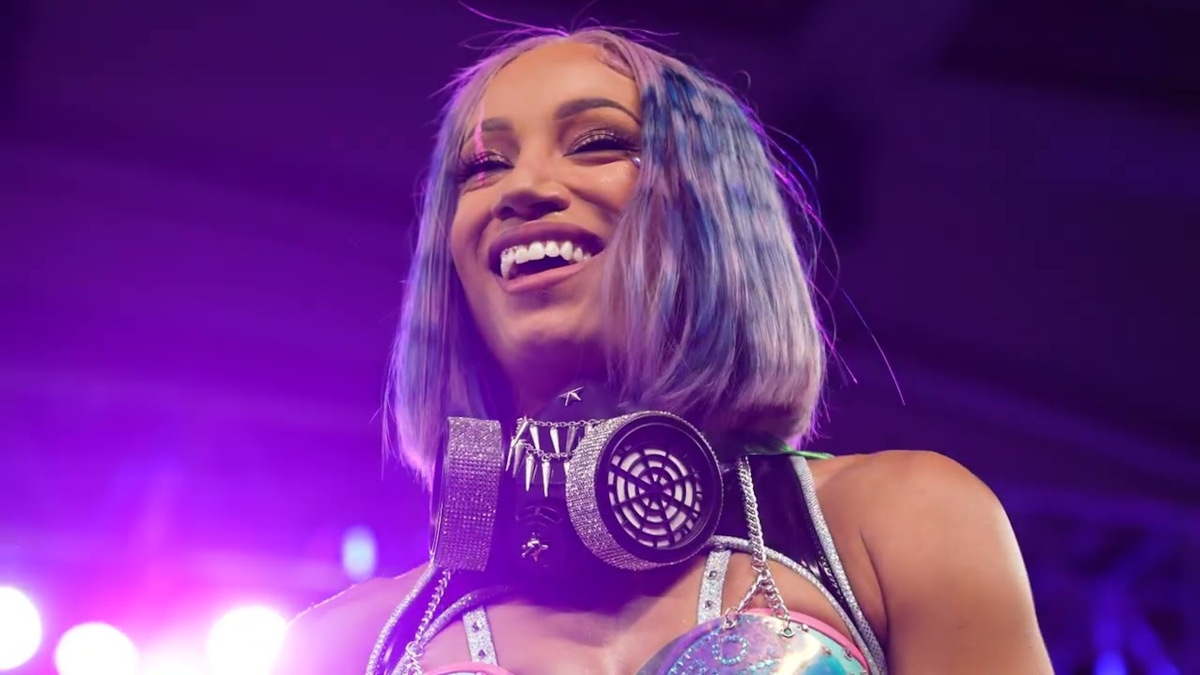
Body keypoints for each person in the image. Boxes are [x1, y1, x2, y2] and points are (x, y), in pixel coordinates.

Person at [275, 28, 1053, 674]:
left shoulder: (906, 523)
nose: (522, 189)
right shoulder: (339, 648)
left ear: (710, 218)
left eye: (597, 143)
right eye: (483, 166)